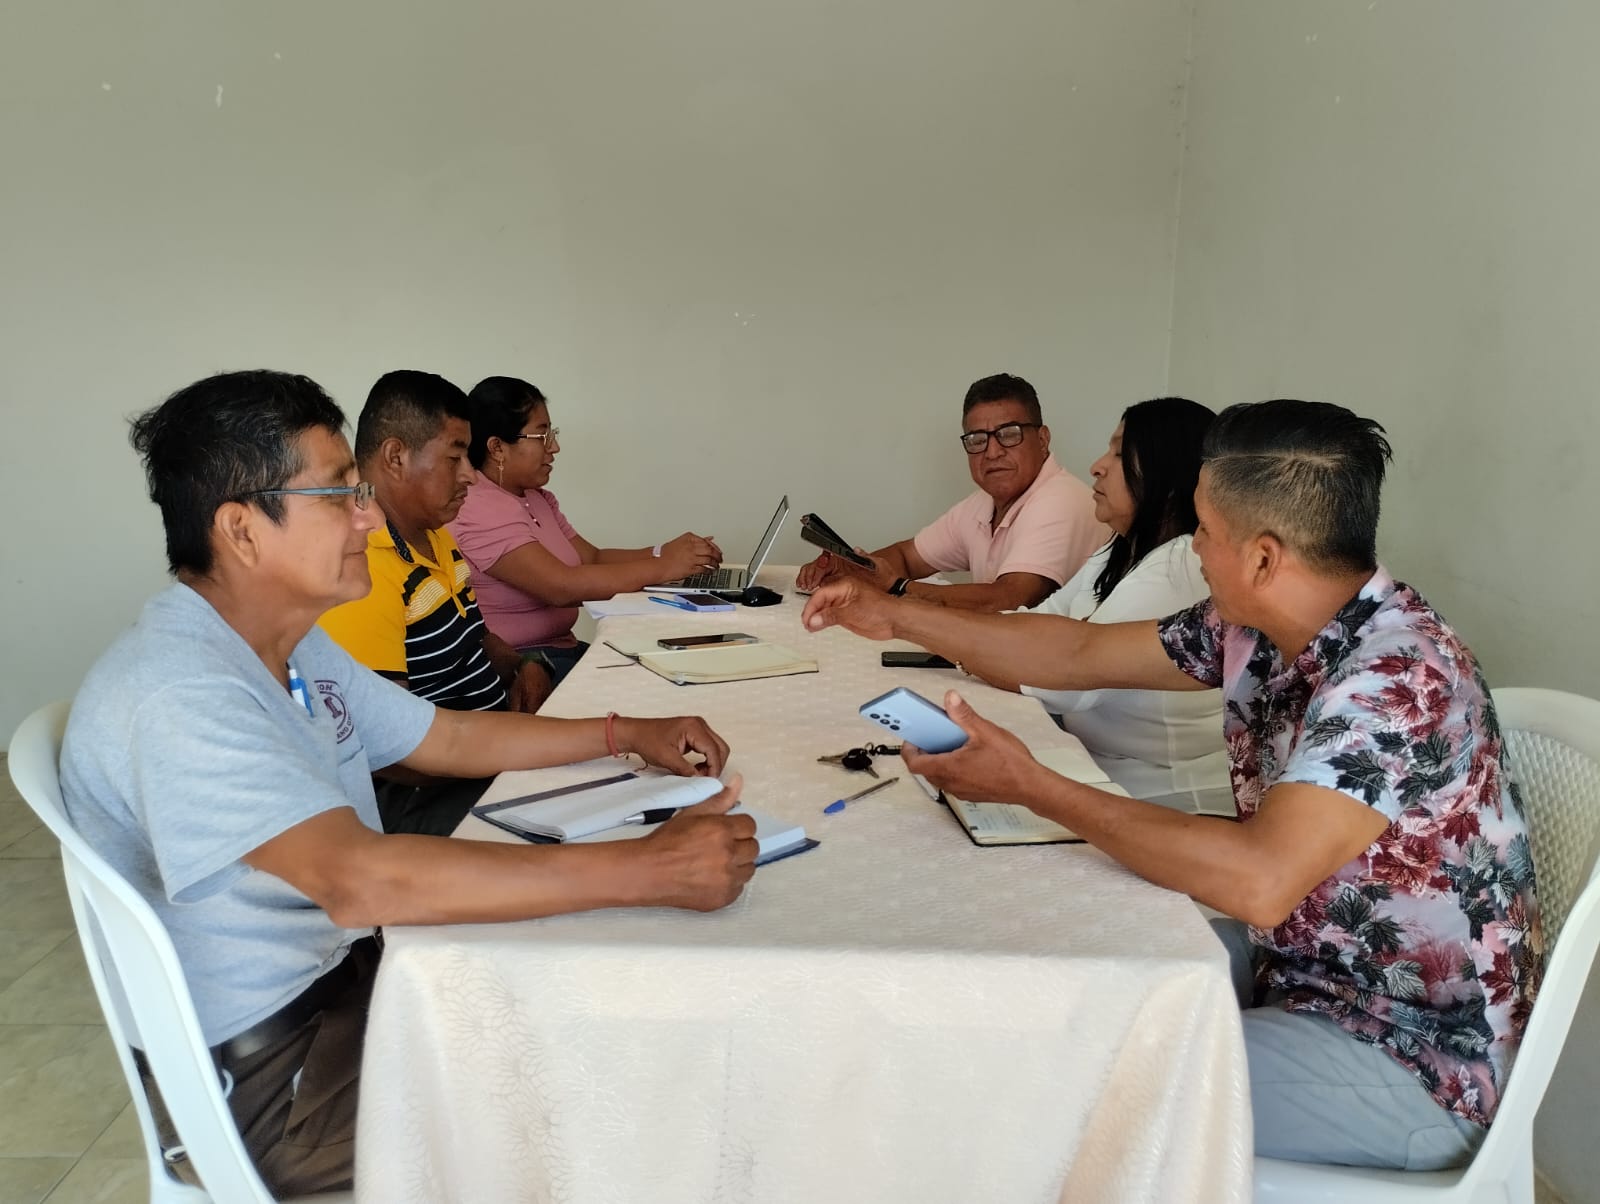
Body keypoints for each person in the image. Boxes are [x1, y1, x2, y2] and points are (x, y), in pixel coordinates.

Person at [58, 370, 758, 1197]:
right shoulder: (179, 690)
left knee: (633, 1033)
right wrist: (647, 869)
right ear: (241, 529)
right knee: (617, 1112)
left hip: (356, 990)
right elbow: (361, 879)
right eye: (337, 495)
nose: (366, 515)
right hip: (279, 1085)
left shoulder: (288, 644)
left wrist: (623, 733)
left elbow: (444, 735)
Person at [803, 399, 1543, 1171]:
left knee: (1053, 1085)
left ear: (1263, 558)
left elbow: (1259, 881)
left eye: (1205, 530)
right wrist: (898, 617)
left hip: (1416, 1059)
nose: (1193, 546)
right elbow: (1075, 653)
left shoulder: (1397, 678)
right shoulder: (1257, 626)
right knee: (1056, 982)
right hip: (1298, 976)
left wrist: (1031, 785)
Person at [318, 370, 556, 836]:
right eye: (455, 457)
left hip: (481, 752)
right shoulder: (362, 567)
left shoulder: (434, 536)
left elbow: (475, 635)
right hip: (419, 796)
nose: (470, 475)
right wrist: (509, 753)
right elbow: (390, 753)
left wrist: (525, 664)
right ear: (395, 457)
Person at [989, 397, 1230, 812]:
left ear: (1165, 471)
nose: (1097, 466)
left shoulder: (1181, 563)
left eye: (1119, 453)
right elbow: (1040, 621)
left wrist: (934, 629)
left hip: (1164, 794)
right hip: (1098, 763)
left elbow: (1063, 680)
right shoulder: (1120, 548)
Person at [450, 375, 723, 678]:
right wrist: (666, 567)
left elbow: (592, 557)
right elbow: (560, 587)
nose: (554, 447)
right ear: (497, 448)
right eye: (542, 436)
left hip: (562, 649)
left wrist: (666, 552)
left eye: (552, 434)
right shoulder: (476, 506)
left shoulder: (536, 498)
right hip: (524, 666)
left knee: (676, 662)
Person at [794, 373, 1107, 611]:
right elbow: (907, 557)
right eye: (977, 439)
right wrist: (848, 568)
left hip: (1063, 677)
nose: (992, 452)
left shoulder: (1059, 499)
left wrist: (898, 588)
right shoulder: (983, 504)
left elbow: (1009, 599)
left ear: (1042, 439)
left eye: (1009, 434)